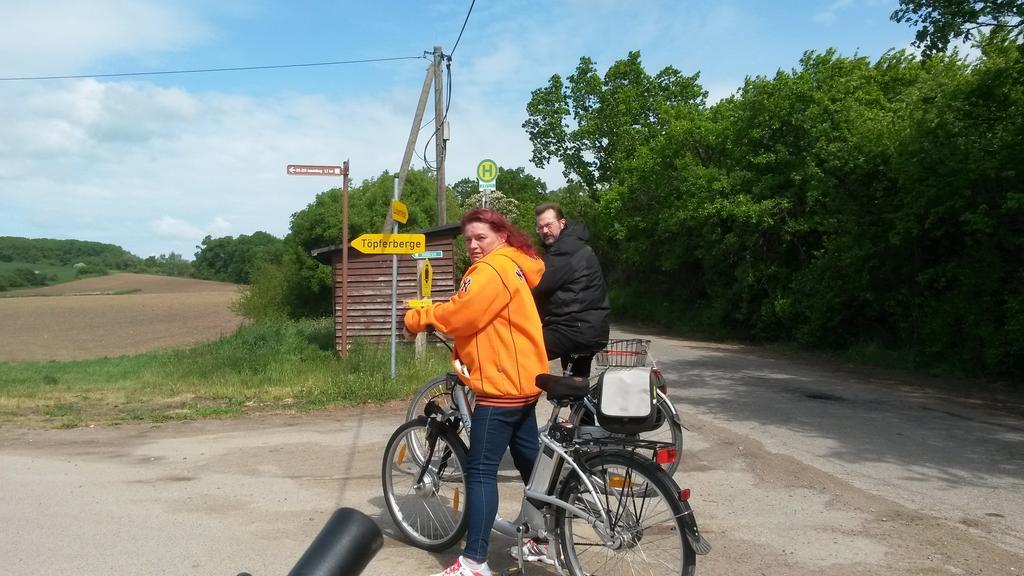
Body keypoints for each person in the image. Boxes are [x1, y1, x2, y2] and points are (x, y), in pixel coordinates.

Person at [404, 208, 549, 576]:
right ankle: (541, 538)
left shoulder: (490, 271)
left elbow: (462, 315)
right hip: (524, 383)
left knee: (481, 470)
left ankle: (474, 561)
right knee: (530, 461)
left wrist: (418, 316)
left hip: (501, 386)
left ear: (501, 235)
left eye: (480, 237)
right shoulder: (516, 263)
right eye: (468, 239)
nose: (473, 246)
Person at [531, 202, 611, 378]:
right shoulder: (570, 245)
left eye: (548, 225)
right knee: (575, 391)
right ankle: (583, 406)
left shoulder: (566, 250)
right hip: (585, 328)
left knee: (520, 351)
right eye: (540, 227)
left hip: (575, 329)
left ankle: (521, 405)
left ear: (562, 223)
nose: (544, 231)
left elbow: (536, 286)